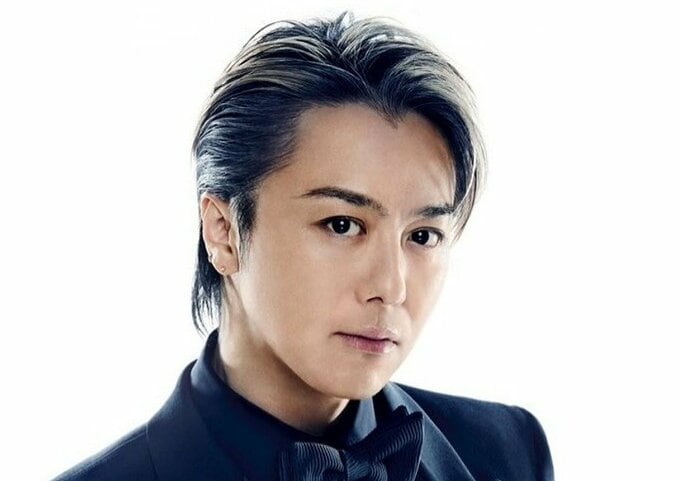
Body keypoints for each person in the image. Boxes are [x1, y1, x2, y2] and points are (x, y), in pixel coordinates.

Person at [53, 11, 553, 481]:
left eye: (422, 236)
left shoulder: (506, 452)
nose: (391, 287)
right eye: (342, 224)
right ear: (223, 232)